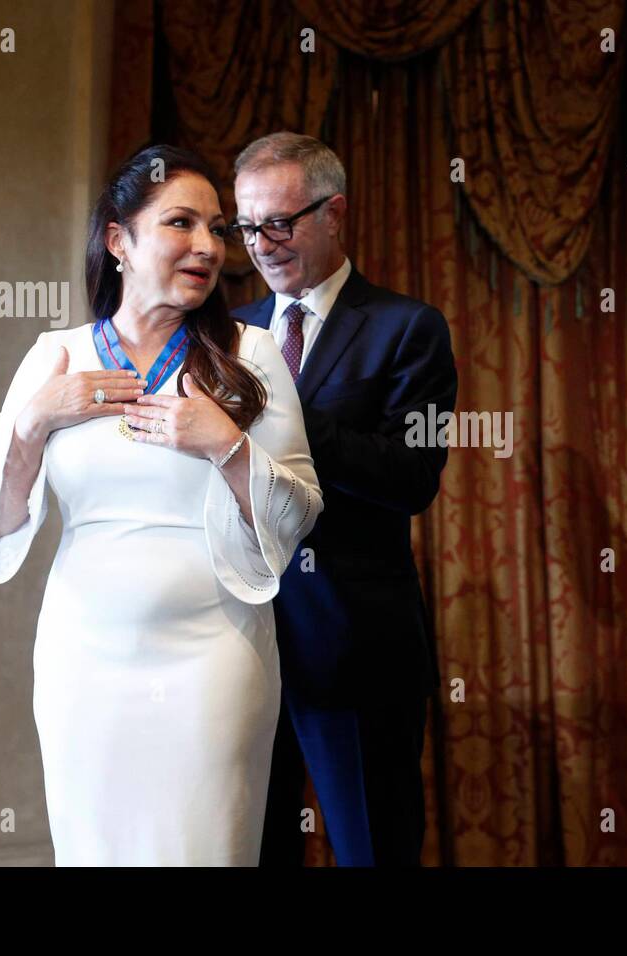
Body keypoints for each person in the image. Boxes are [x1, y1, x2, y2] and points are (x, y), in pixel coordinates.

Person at [0, 145, 322, 865]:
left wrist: (226, 445)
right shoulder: (55, 356)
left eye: (218, 229)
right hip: (82, 661)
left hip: (215, 661)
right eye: (181, 223)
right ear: (118, 240)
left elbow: (298, 513)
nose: (207, 246)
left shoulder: (250, 354)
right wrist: (34, 421)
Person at [230, 132, 457, 866]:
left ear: (336, 214)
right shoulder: (228, 334)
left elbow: (410, 480)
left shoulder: (407, 328)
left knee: (374, 851)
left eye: (280, 222)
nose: (262, 245)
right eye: (247, 226)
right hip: (239, 648)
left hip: (357, 649)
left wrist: (280, 407)